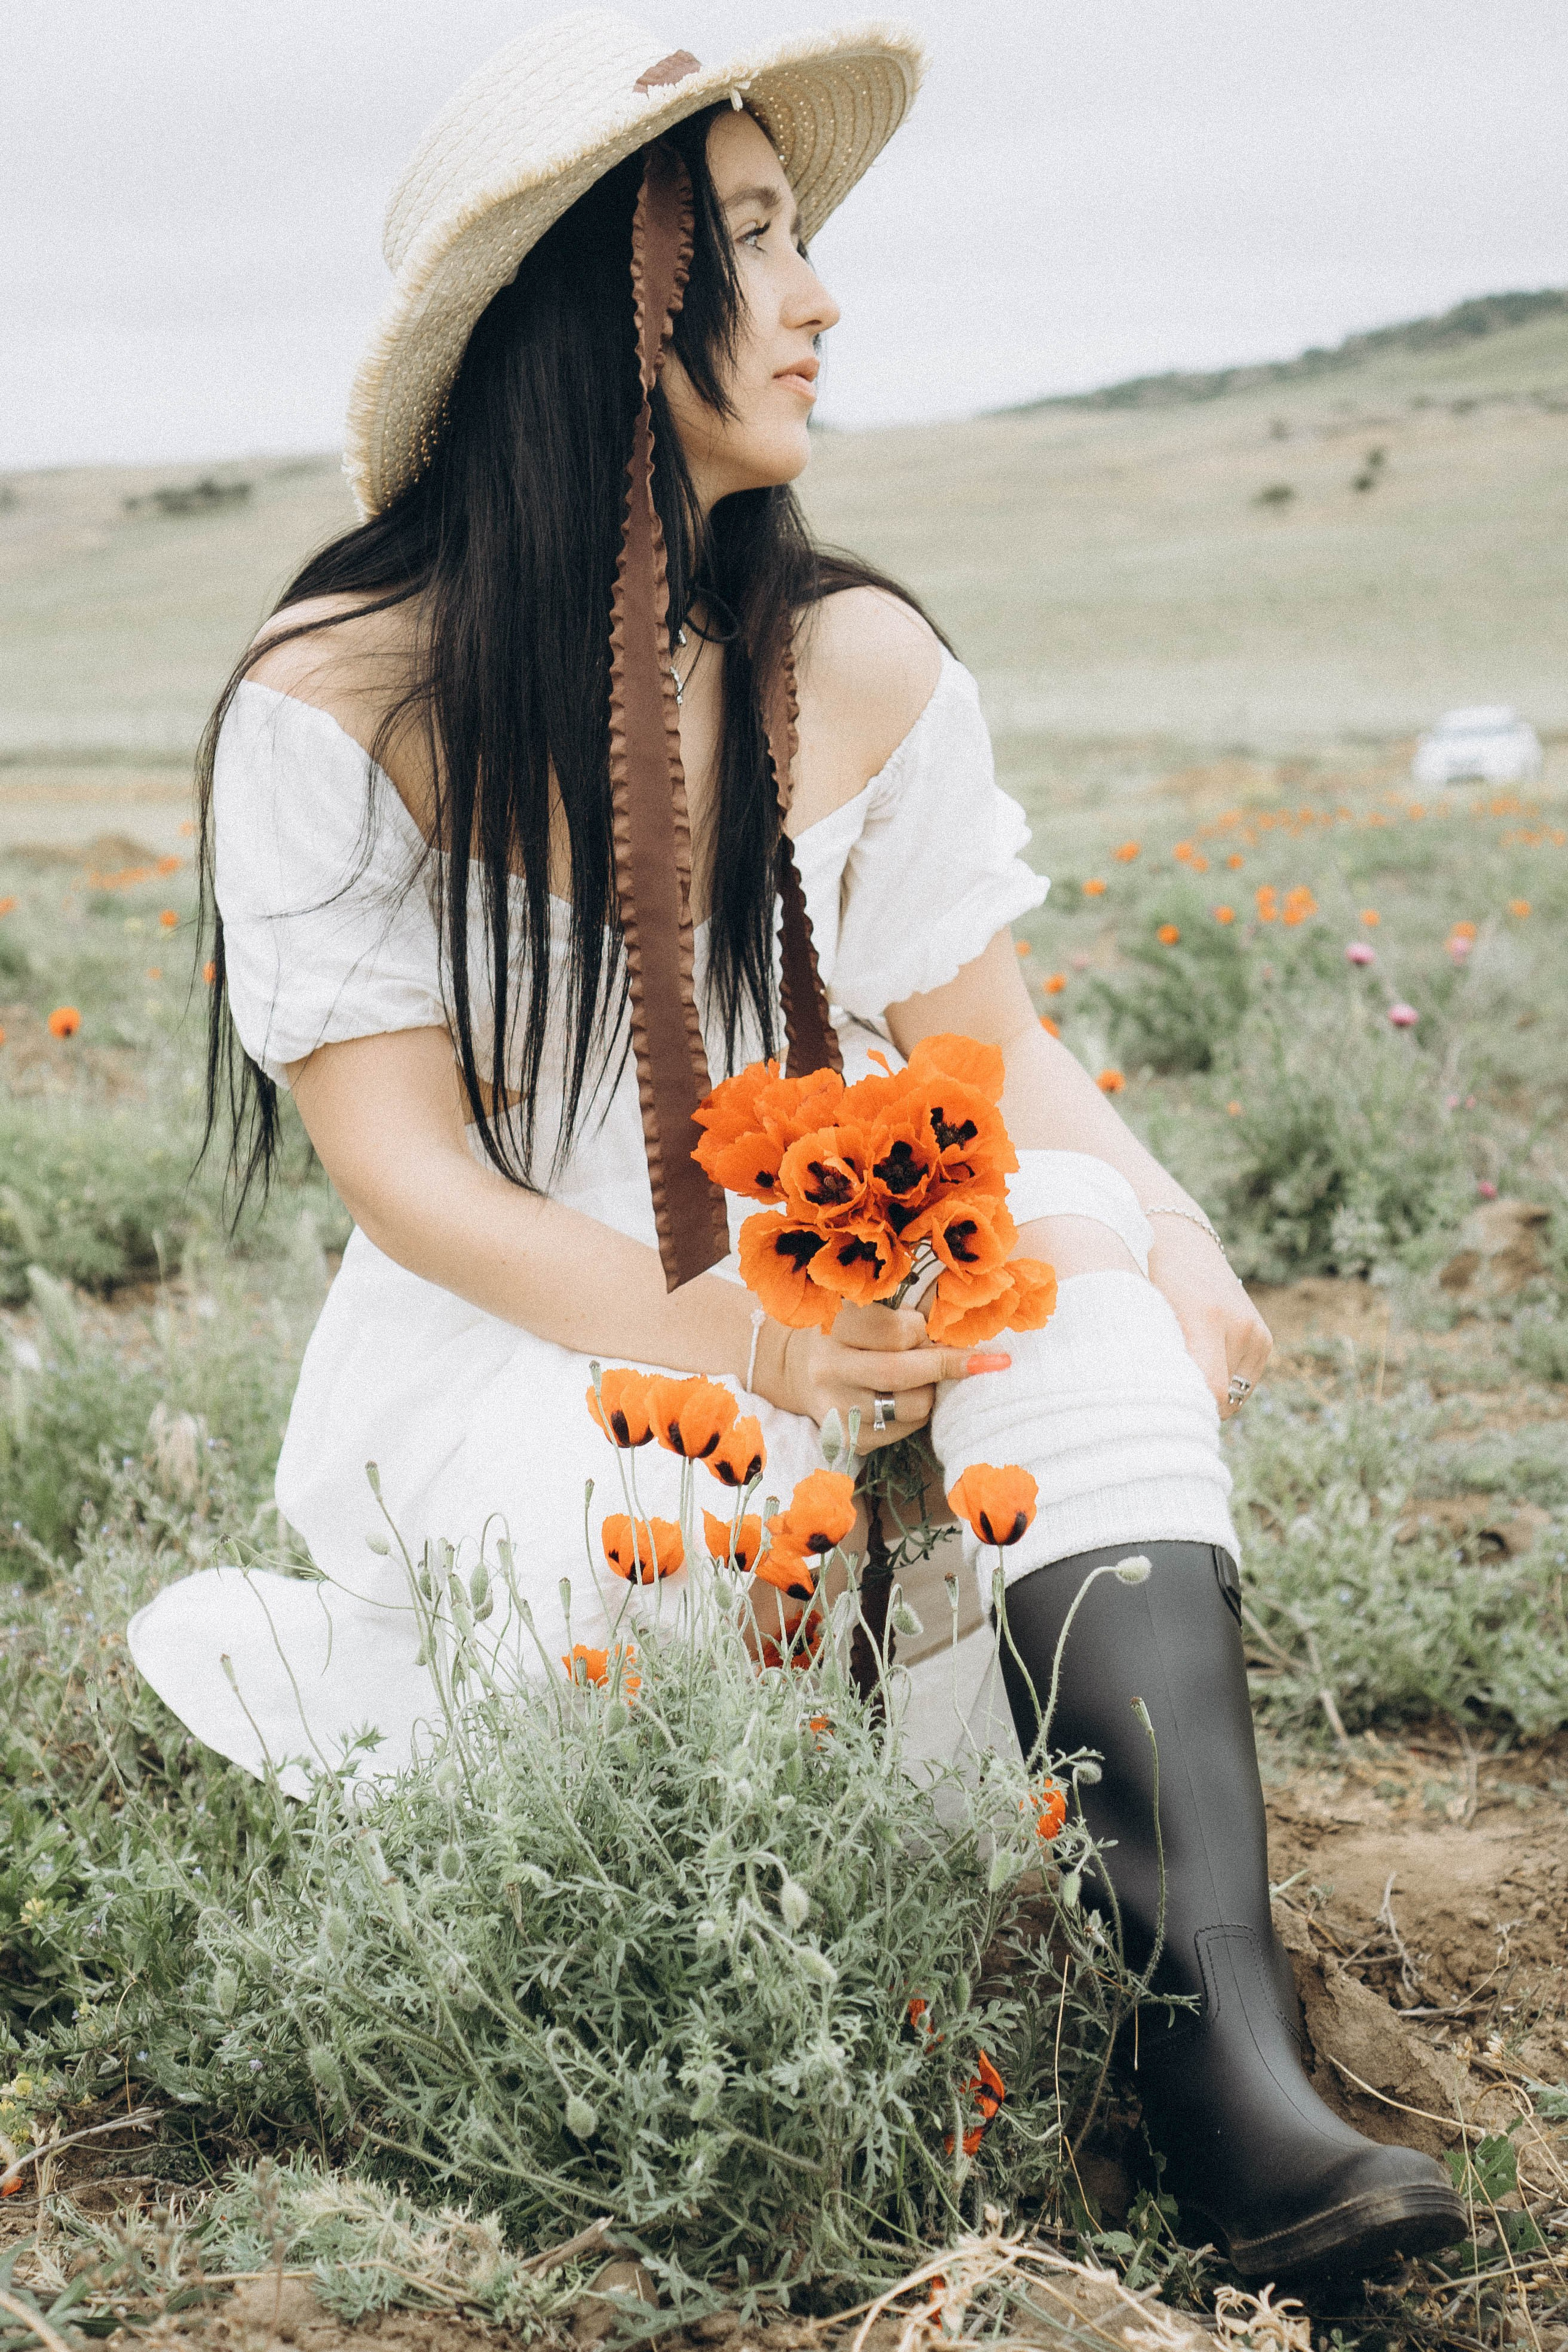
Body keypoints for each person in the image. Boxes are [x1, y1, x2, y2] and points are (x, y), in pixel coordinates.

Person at [129, 9, 1463, 2285]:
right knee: (662, 1538)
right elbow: (415, 1184)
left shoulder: (856, 660)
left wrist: (1166, 1219)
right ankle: (823, 1941)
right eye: (755, 241)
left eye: (802, 233)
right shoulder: (341, 698)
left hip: (854, 1280)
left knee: (1071, 1259)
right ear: (598, 313)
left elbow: (995, 1047)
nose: (824, 295)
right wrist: (748, 1332)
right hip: (539, 1331)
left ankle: (1220, 2062)